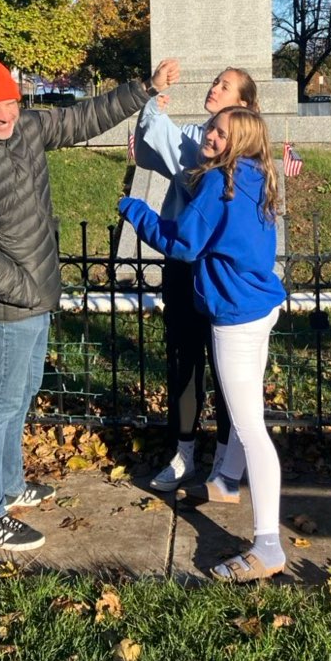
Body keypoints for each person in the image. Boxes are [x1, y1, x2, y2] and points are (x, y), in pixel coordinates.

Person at [0, 56, 180, 553]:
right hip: (5, 307)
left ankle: (9, 487)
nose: (5, 115)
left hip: (33, 296)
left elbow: (81, 118)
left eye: (9, 103)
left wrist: (144, 88)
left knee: (21, 395)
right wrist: (31, 292)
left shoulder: (26, 127)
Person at [120, 106, 286, 582]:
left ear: (241, 142)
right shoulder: (256, 175)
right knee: (246, 409)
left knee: (250, 428)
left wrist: (135, 210)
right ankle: (224, 481)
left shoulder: (218, 181)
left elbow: (183, 244)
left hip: (235, 314)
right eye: (212, 128)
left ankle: (268, 545)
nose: (210, 135)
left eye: (221, 133)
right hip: (260, 303)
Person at [133, 68, 258, 492]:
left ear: (244, 105)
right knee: (184, 361)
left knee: (227, 371)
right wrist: (151, 107)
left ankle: (224, 461)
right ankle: (183, 453)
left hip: (222, 277)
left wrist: (154, 117)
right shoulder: (194, 136)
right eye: (215, 81)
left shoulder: (248, 159)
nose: (214, 88)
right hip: (184, 272)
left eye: (225, 86)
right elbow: (149, 151)